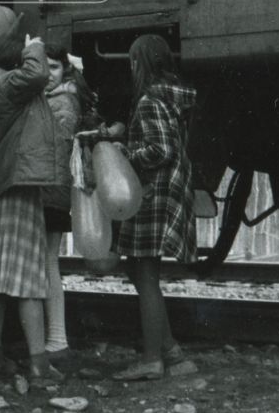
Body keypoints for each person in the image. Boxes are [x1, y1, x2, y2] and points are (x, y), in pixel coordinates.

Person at [0, 6, 65, 382]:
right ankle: (39, 363)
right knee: (27, 280)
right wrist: (34, 44)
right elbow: (37, 73)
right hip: (15, 192)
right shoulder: (6, 86)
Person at [111, 34, 199, 381]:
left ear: (143, 63)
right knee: (140, 271)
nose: (131, 68)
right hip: (169, 192)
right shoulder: (173, 97)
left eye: (134, 61)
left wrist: (124, 154)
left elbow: (159, 150)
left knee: (144, 274)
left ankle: (151, 359)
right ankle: (172, 353)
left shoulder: (150, 101)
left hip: (154, 194)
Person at [42, 45, 95, 362]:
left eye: (54, 67)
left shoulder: (61, 103)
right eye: (43, 67)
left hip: (50, 190)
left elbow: (56, 151)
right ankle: (55, 339)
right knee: (47, 263)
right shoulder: (62, 99)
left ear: (65, 70)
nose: (48, 74)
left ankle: (57, 340)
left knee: (47, 263)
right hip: (53, 190)